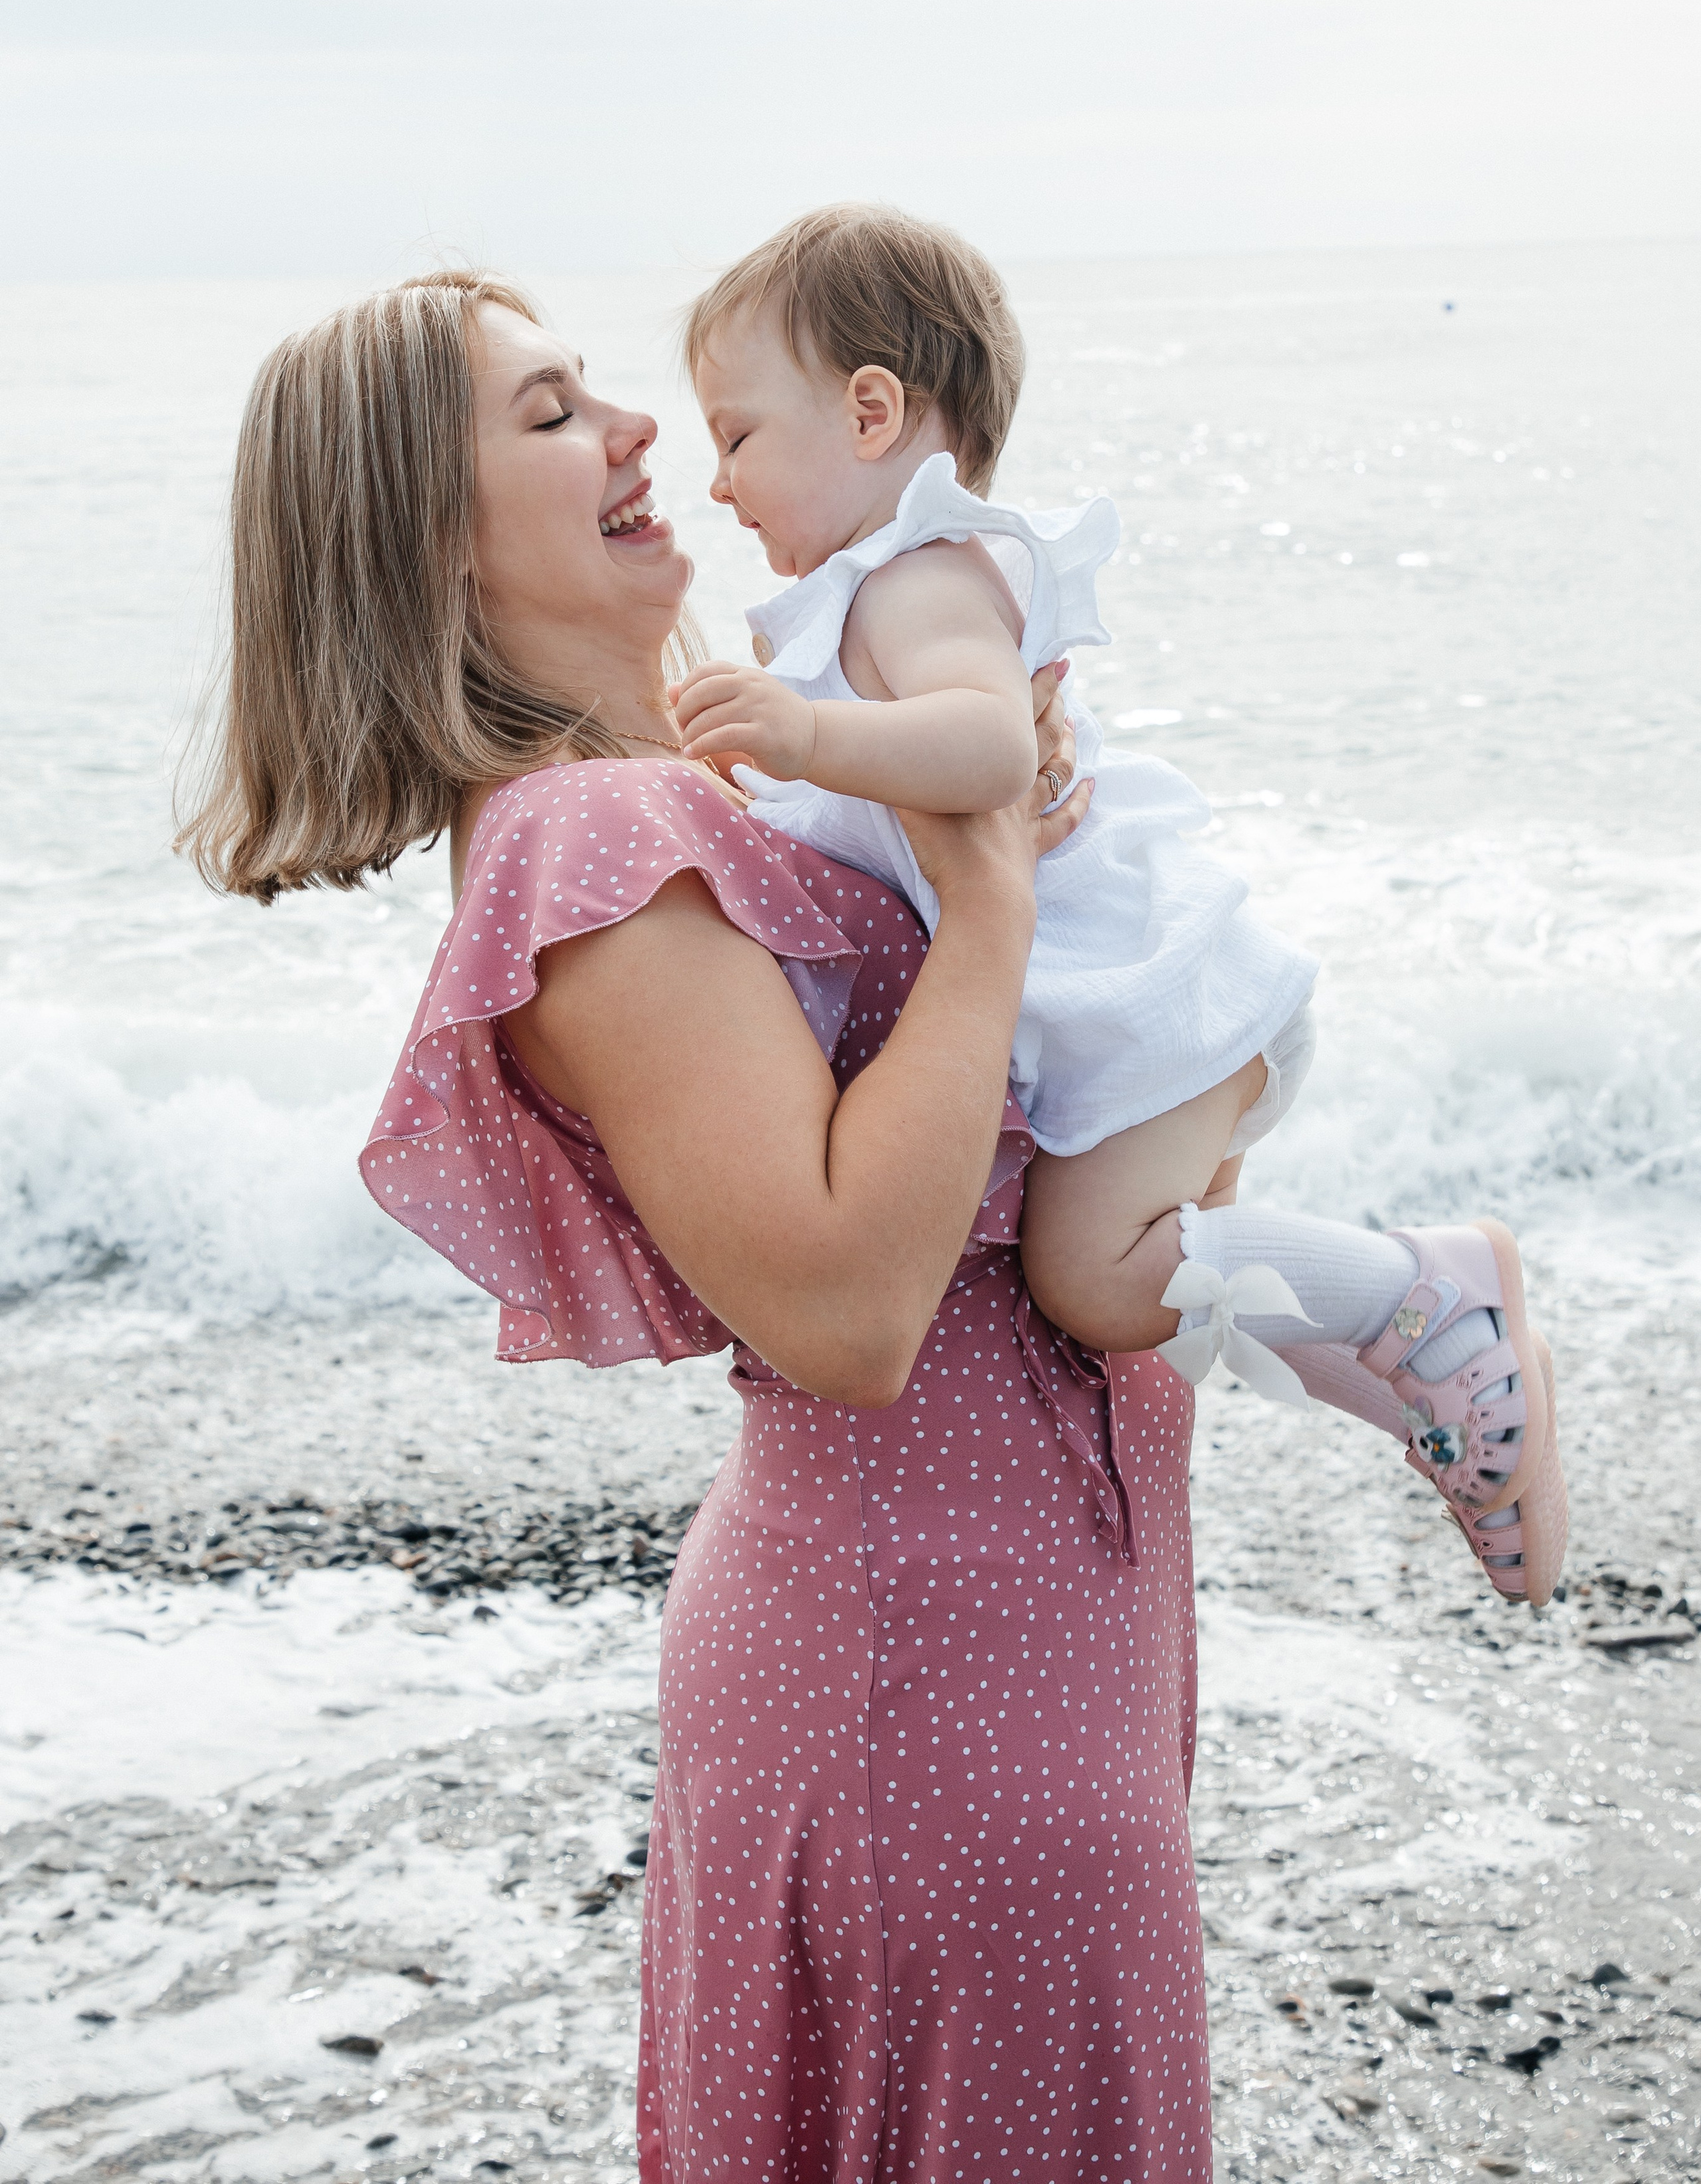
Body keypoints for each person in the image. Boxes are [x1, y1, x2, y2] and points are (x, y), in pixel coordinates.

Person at [178, 267, 1215, 2180]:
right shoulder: (587, 842)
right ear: (428, 526)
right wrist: (984, 904)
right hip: (928, 1674)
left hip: (1028, 1624)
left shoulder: (732, 776)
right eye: (556, 411)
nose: (642, 429)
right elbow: (844, 1307)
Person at [673, 205, 1568, 1605]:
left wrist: (798, 738)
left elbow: (984, 751)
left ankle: (1429, 1293)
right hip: (1130, 1025)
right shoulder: (877, 594)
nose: (715, 483)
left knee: (1097, 1280)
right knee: (1187, 1298)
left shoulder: (908, 580)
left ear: (866, 412)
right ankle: (1443, 1410)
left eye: (732, 435)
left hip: (1144, 1013)